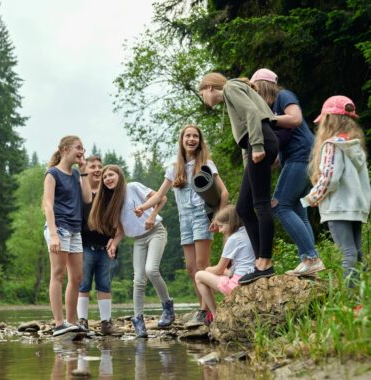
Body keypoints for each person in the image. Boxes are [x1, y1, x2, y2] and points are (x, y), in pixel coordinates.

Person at [134, 125, 229, 325]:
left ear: (200, 141)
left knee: (202, 265)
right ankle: (203, 307)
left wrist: (218, 218)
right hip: (183, 219)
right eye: (188, 136)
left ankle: (206, 311)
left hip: (202, 216)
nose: (192, 139)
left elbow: (224, 193)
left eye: (195, 136)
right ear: (182, 140)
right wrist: (143, 208)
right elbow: (160, 195)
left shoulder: (206, 164)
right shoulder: (174, 168)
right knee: (191, 268)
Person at [199, 73, 278, 284]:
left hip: (260, 141)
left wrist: (259, 146)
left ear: (208, 87)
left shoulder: (230, 88)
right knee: (243, 208)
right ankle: (258, 261)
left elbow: (253, 114)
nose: (204, 100)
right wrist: (249, 168)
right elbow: (246, 139)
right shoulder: (231, 93)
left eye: (202, 95)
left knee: (260, 204)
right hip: (256, 144)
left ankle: (265, 263)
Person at [250, 68, 325, 276]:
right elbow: (285, 138)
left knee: (281, 205)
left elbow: (295, 119)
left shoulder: (283, 96)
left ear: (262, 87)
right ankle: (310, 262)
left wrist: (267, 119)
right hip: (300, 158)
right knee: (299, 211)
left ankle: (311, 257)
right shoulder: (273, 108)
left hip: (302, 156)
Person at [88, 165, 174, 338]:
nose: (108, 179)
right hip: (138, 239)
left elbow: (162, 198)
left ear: (119, 176)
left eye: (111, 175)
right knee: (138, 279)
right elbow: (120, 231)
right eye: (105, 178)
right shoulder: (112, 202)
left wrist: (151, 216)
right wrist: (113, 244)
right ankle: (138, 319)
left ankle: (167, 307)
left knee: (151, 270)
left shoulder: (133, 187)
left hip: (156, 231)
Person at [301, 95, 371, 286]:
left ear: (329, 120)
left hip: (339, 207)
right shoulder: (356, 146)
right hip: (356, 207)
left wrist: (310, 199)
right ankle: (360, 295)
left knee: (347, 252)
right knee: (355, 252)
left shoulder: (332, 145)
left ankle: (351, 300)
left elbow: (329, 178)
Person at [42, 135, 92, 337]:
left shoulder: (75, 175)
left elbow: (87, 198)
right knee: (58, 274)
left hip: (75, 230)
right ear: (64, 149)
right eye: (78, 148)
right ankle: (59, 323)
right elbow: (48, 204)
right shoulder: (52, 173)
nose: (82, 152)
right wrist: (53, 234)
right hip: (59, 228)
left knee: (77, 277)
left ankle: (71, 322)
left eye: (83, 149)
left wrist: (84, 172)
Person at [76, 156, 119, 335]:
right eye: (92, 166)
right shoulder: (80, 191)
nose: (97, 169)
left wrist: (115, 241)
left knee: (104, 284)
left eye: (99, 167)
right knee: (83, 284)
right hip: (84, 245)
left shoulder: (109, 193)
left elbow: (119, 221)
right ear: (86, 170)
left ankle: (106, 323)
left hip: (105, 247)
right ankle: (82, 321)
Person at [195, 205, 255, 322]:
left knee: (199, 276)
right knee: (225, 273)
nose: (220, 230)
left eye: (221, 226)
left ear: (231, 223)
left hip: (238, 285)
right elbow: (232, 269)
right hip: (250, 277)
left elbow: (219, 270)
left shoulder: (234, 239)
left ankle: (215, 314)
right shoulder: (249, 233)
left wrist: (207, 270)